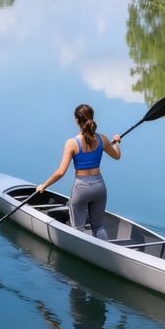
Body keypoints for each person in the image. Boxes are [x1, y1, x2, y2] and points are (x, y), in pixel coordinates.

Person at [36, 103, 120, 240]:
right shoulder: (102, 139)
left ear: (76, 120)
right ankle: (105, 251)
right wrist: (116, 142)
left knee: (78, 229)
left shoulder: (72, 143)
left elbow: (60, 172)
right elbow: (117, 156)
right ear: (92, 118)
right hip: (100, 187)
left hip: (82, 188)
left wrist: (44, 185)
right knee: (98, 227)